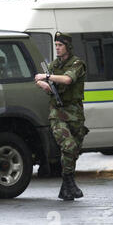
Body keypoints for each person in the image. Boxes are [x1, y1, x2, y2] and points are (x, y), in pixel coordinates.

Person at [34, 32, 89, 201]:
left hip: (75, 113)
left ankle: (67, 186)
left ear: (68, 47)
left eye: (60, 45)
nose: (57, 48)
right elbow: (38, 78)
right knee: (69, 146)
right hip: (57, 113)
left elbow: (67, 80)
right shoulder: (53, 65)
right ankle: (69, 182)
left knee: (73, 152)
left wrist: (47, 77)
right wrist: (43, 84)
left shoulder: (77, 64)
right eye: (56, 45)